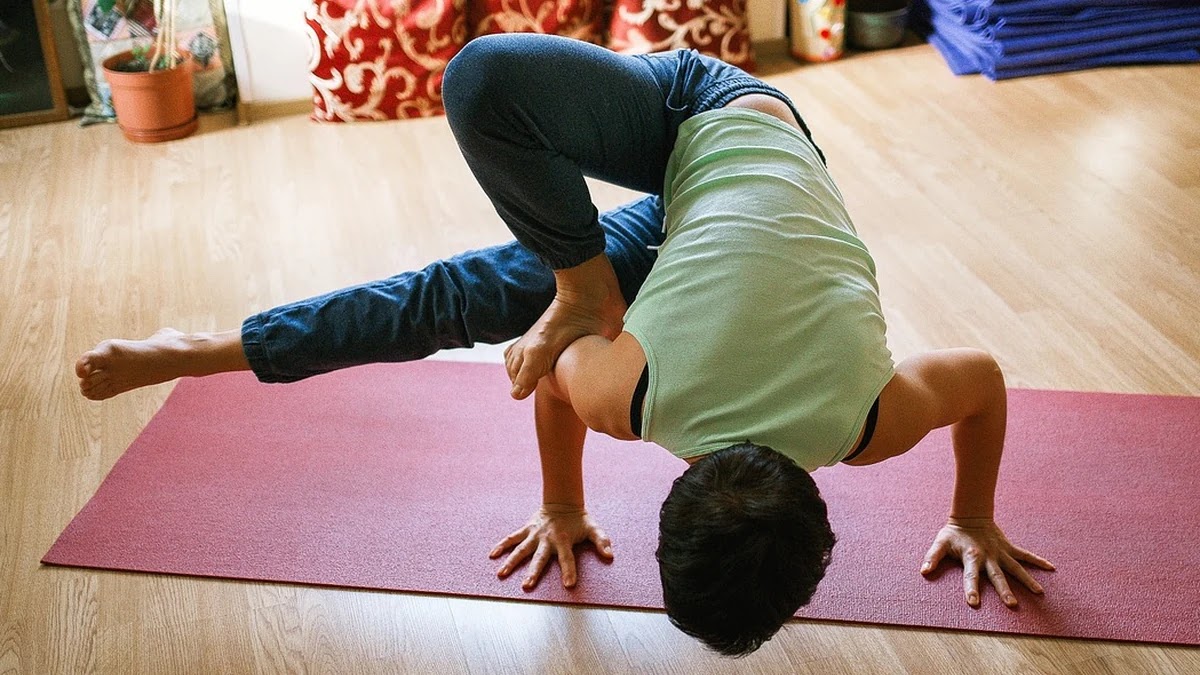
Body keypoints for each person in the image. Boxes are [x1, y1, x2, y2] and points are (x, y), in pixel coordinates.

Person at [75, 34, 1054, 656]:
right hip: (712, 118)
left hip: (699, 237)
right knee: (483, 146)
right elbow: (548, 383)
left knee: (473, 292)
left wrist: (972, 510)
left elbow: (984, 382)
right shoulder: (639, 396)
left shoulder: (873, 423)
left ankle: (205, 348)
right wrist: (558, 499)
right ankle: (581, 282)